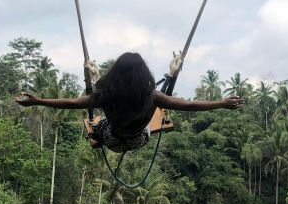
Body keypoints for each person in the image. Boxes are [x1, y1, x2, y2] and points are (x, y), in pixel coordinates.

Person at [16, 52, 243, 152]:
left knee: (102, 123)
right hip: (139, 139)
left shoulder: (105, 95)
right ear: (143, 75)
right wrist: (221, 103)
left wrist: (38, 101)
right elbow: (188, 105)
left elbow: (70, 103)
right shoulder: (152, 96)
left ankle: (98, 131)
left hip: (112, 139)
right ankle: (170, 75)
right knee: (150, 118)